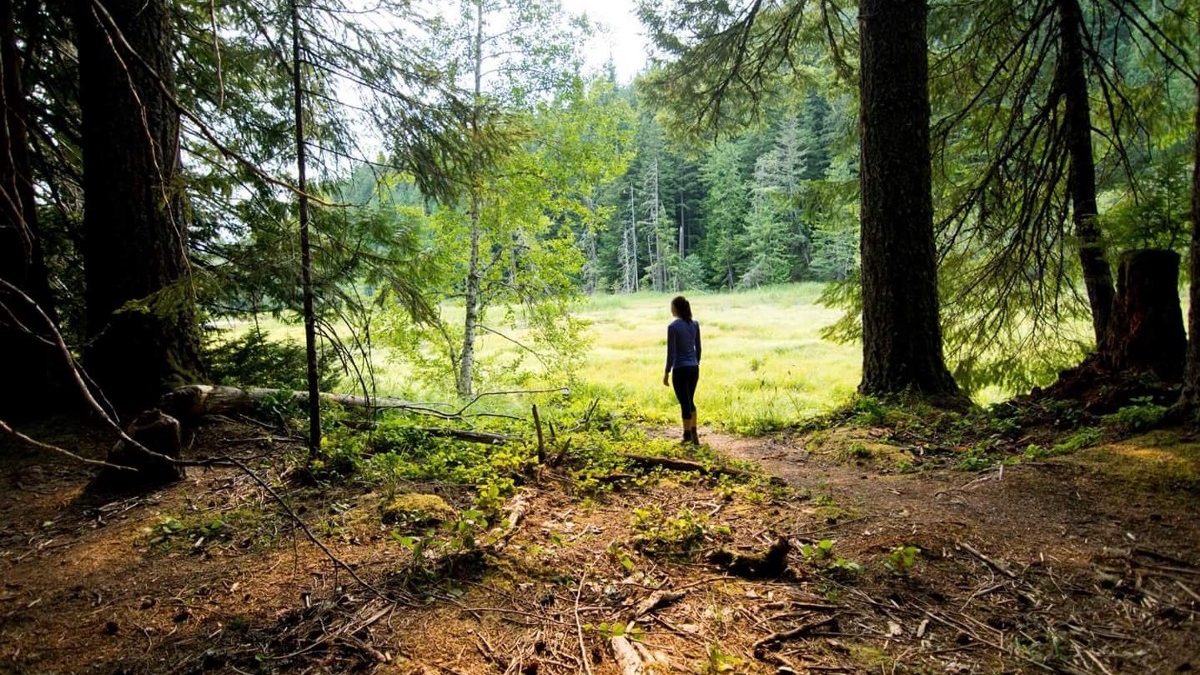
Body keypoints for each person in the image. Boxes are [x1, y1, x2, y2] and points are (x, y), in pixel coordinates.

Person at [663, 295, 701, 444]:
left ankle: (687, 436)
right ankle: (694, 433)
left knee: (684, 402)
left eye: (672, 306)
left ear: (676, 308)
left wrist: (667, 372)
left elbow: (671, 352)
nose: (671, 309)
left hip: (680, 369)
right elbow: (698, 347)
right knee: (690, 400)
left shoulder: (672, 327)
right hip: (693, 368)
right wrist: (696, 362)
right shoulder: (695, 324)